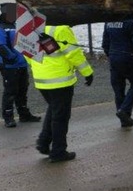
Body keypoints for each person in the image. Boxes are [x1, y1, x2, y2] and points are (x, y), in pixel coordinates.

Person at [27, 24, 94, 163]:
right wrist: (87, 72)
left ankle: (44, 143)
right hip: (61, 81)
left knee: (54, 109)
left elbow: (26, 53)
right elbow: (73, 53)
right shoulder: (61, 29)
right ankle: (58, 151)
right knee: (60, 117)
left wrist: (39, 68)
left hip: (41, 79)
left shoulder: (29, 27)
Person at [0, 2, 41, 127]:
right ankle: (8, 117)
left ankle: (24, 114)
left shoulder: (18, 26)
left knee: (22, 91)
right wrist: (12, 57)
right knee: (10, 91)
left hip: (22, 64)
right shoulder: (0, 28)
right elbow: (0, 46)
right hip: (10, 65)